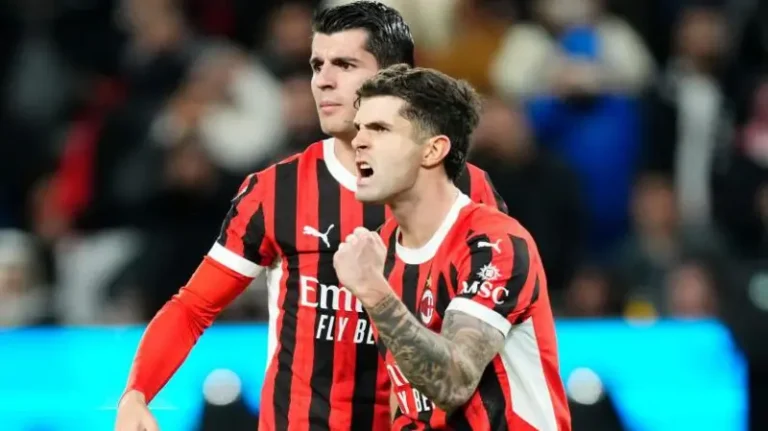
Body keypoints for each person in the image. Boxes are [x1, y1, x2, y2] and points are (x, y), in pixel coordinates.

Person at [114, 3, 506, 431]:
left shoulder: (464, 190)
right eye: (318, 65)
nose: (323, 81)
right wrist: (137, 392)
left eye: (345, 65)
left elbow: (488, 338)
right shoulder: (276, 190)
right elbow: (193, 307)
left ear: (396, 80)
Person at [333, 64, 571, 430]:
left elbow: (454, 382)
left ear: (433, 150)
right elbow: (404, 393)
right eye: (359, 127)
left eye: (380, 129)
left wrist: (374, 293)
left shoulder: (494, 243)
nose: (359, 142)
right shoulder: (379, 251)